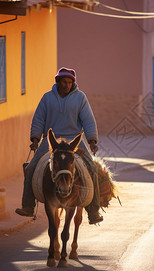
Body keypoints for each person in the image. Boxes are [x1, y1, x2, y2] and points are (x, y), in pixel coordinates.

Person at [15, 67, 103, 224]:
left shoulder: (80, 98)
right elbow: (39, 119)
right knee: (31, 167)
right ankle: (28, 205)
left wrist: (92, 140)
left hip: (74, 140)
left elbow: (88, 120)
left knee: (92, 168)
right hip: (51, 140)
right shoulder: (47, 98)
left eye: (70, 82)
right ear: (58, 82)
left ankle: (93, 211)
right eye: (64, 82)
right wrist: (35, 138)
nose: (67, 85)